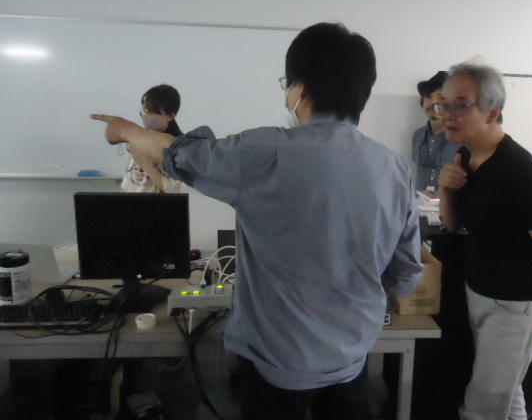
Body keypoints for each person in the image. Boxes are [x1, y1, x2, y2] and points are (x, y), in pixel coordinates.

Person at [91, 22, 423, 420]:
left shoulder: (264, 151)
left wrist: (127, 130)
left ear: (299, 91)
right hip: (351, 360)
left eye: (287, 85)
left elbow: (180, 155)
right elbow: (404, 276)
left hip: (275, 369)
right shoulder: (394, 169)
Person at [437, 62, 532, 420]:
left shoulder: (518, 172)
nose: (447, 114)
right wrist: (446, 189)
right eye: (444, 104)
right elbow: (453, 226)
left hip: (515, 308)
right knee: (507, 400)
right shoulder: (467, 156)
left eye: (460, 105)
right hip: (481, 294)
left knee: (482, 409)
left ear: (492, 112)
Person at [120, 84, 184, 193]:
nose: (145, 115)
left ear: (170, 116)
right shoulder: (139, 136)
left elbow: (172, 188)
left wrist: (143, 161)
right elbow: (130, 177)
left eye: (152, 111)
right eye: (144, 109)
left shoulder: (178, 147)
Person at [412, 71, 459, 191]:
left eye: (440, 97)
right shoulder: (417, 135)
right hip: (419, 200)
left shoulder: (461, 138)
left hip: (449, 201)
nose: (433, 102)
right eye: (429, 97)